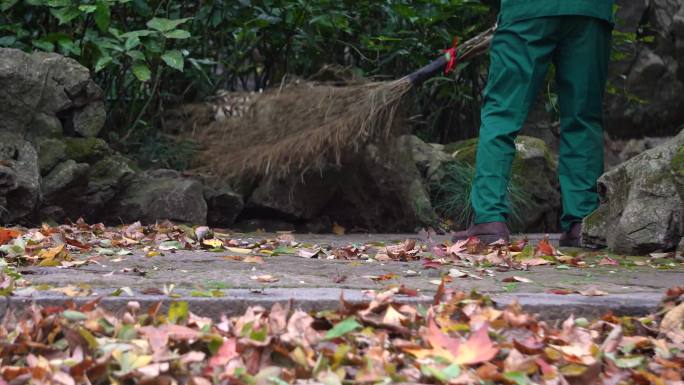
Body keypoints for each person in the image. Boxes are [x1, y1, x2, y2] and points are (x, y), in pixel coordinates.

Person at [452, 0, 614, 247]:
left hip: (527, 9)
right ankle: (583, 221)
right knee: (583, 116)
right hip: (589, 10)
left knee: (501, 114)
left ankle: (489, 220)